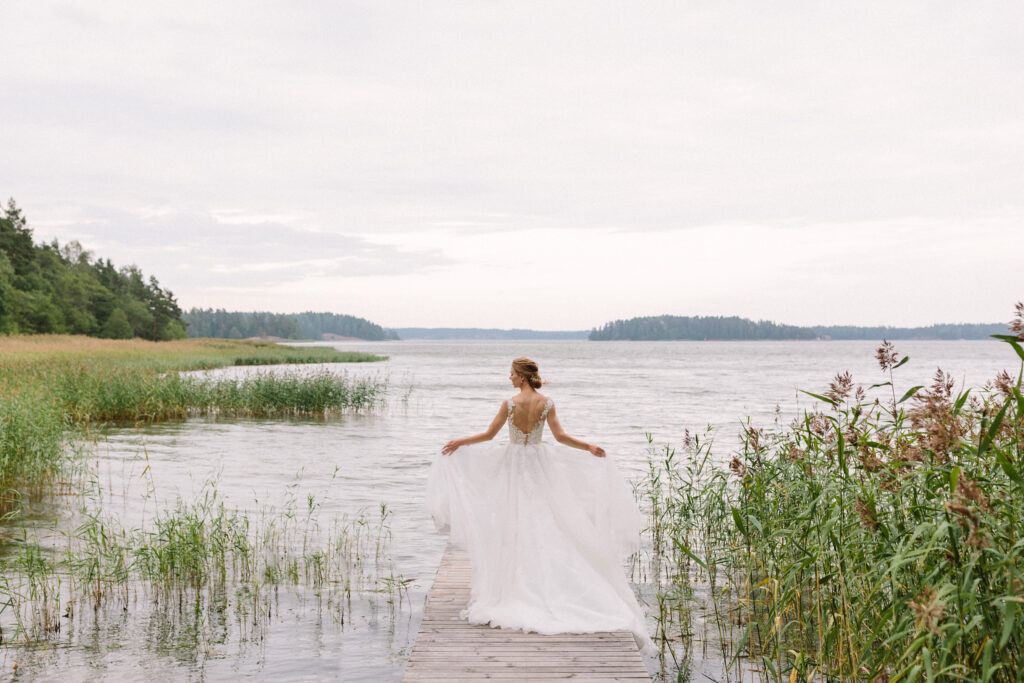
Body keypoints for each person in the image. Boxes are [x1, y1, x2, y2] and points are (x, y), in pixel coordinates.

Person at [426, 357, 653, 653]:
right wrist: (589, 447)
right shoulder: (547, 403)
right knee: (545, 522)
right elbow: (560, 437)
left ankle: (518, 585)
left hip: (513, 467)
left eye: (511, 374)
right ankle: (544, 582)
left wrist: (460, 442)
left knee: (516, 522)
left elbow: (489, 435)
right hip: (539, 465)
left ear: (522, 377)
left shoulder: (509, 404)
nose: (509, 378)